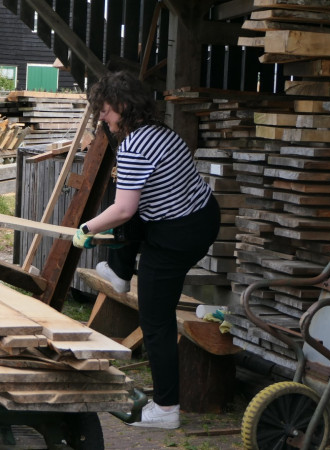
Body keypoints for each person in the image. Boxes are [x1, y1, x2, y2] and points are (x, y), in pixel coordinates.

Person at [72, 71, 220, 429]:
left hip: (177, 235)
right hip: (199, 215)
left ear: (122, 105)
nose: (102, 116)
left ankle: (167, 410)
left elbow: (124, 210)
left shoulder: (135, 147)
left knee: (156, 320)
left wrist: (87, 228)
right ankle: (121, 273)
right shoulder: (161, 133)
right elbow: (134, 209)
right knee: (130, 209)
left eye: (104, 109)